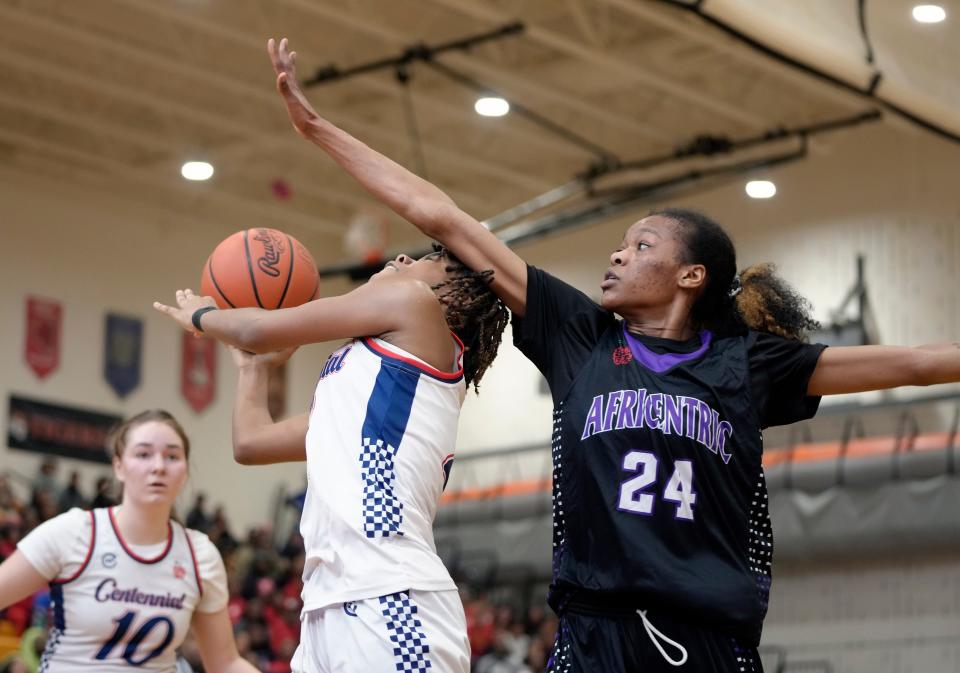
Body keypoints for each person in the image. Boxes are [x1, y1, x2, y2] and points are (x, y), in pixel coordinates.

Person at [262, 36, 960, 672]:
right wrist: (317, 129)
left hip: (710, 635)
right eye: (620, 242)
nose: (618, 252)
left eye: (642, 245)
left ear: (692, 276)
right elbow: (443, 216)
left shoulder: (744, 362)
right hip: (594, 631)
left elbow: (921, 362)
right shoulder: (580, 335)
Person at [152, 92, 510, 672]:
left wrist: (202, 317)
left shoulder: (418, 311)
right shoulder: (371, 385)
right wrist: (251, 367)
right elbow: (252, 444)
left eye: (422, 262)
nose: (399, 263)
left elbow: (256, 324)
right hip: (327, 607)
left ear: (452, 297)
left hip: (390, 596)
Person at [0, 410, 262, 673]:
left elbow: (225, 663)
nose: (159, 466)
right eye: (143, 454)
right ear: (118, 467)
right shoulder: (75, 532)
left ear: (184, 472)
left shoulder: (199, 554)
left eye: (172, 456)